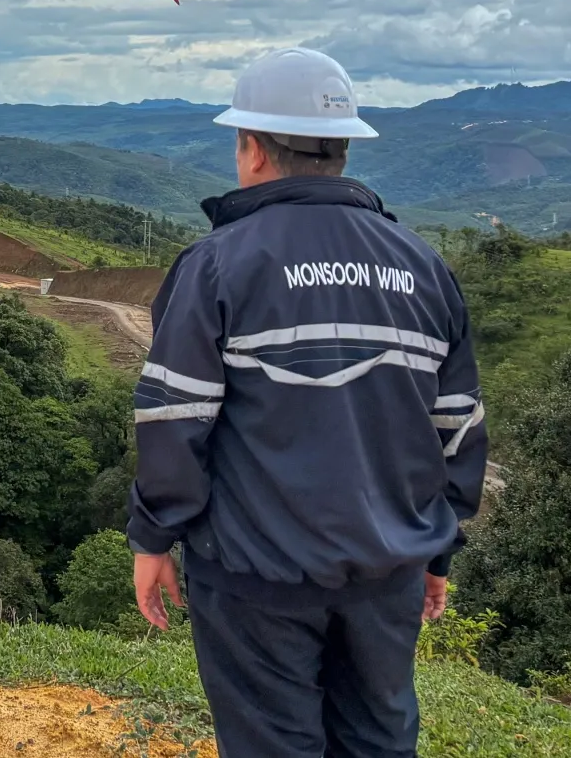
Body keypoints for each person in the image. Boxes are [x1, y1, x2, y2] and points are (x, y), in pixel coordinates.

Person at [128, 48, 486, 758]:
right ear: (343, 150)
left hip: (255, 572)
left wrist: (153, 535)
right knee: (379, 742)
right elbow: (458, 425)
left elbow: (175, 417)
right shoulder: (421, 265)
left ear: (253, 150)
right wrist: (438, 549)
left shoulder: (219, 265)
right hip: (389, 569)